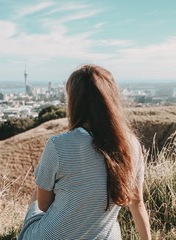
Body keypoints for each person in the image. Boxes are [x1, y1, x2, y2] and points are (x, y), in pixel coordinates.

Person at [18, 64, 152, 240]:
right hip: (105, 236)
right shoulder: (131, 145)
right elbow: (137, 203)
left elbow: (43, 206)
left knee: (37, 193)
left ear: (74, 101)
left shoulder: (58, 145)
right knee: (111, 224)